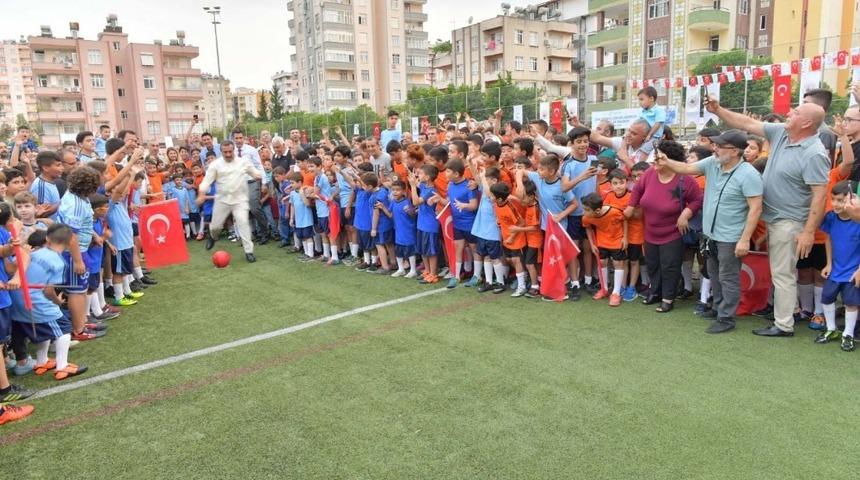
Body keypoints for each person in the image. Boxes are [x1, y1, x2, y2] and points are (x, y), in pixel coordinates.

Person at [706, 96, 829, 337]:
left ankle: (784, 325)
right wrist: (718, 109)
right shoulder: (782, 133)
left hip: (790, 222)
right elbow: (745, 123)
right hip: (773, 218)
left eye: (796, 112)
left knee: (783, 274)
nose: (790, 113)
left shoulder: (814, 153)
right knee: (781, 272)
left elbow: (820, 196)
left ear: (806, 123)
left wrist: (808, 231)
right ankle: (785, 317)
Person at [655, 130, 764, 333]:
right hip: (711, 234)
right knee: (713, 273)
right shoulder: (713, 163)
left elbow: (756, 209)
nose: (715, 148)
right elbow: (686, 168)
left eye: (720, 146)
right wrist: (667, 161)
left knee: (728, 276)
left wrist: (744, 239)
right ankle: (718, 308)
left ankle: (726, 318)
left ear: (733, 151)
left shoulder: (749, 175)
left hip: (731, 237)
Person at [627, 140, 702, 313]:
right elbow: (637, 189)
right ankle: (655, 292)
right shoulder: (650, 174)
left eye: (659, 158)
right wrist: (631, 206)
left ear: (671, 160)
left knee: (670, 266)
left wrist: (686, 214)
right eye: (655, 157)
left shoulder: (685, 179)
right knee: (653, 264)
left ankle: (668, 298)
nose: (655, 161)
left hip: (673, 232)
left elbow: (698, 199)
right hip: (650, 230)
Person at [11, 223, 88, 380]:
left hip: (17, 300)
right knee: (64, 329)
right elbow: (48, 290)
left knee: (45, 330)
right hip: (35, 301)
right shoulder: (59, 263)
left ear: (47, 238)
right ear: (68, 245)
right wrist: (57, 302)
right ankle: (62, 366)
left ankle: (42, 361)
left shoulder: (35, 253)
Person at [57, 166, 106, 341]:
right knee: (77, 291)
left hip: (80, 249)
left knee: (81, 289)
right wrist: (78, 260)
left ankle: (82, 322)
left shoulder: (77, 198)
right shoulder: (76, 204)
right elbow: (71, 234)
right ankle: (78, 330)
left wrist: (92, 235)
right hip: (74, 253)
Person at [197, 140, 263, 263]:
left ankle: (249, 252)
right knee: (215, 226)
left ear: (234, 150)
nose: (228, 154)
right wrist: (201, 194)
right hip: (222, 200)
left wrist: (257, 175)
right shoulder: (215, 165)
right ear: (221, 151)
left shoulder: (243, 162)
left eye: (230, 151)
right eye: (225, 152)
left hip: (240, 200)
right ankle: (212, 236)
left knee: (243, 222)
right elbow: (206, 182)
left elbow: (255, 172)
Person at [816, 180, 860, 351]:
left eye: (841, 200)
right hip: (836, 269)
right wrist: (828, 263)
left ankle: (847, 333)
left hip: (852, 271)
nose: (835, 204)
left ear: (851, 199)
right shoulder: (831, 217)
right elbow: (828, 239)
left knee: (851, 303)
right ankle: (831, 329)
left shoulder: (858, 221)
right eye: (833, 199)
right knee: (826, 298)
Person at [581, 192, 627, 307]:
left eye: (586, 210)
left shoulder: (614, 211)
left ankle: (616, 293)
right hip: (602, 242)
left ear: (597, 211)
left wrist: (625, 238)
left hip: (617, 241)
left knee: (618, 263)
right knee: (602, 262)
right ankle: (604, 289)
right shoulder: (586, 217)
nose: (584, 212)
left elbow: (625, 220)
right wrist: (592, 244)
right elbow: (588, 228)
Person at [232, 128, 269, 244]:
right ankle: (250, 234)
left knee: (254, 208)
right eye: (236, 138)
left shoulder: (251, 150)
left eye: (240, 138)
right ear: (233, 139)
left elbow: (259, 166)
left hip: (252, 182)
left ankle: (265, 232)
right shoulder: (230, 151)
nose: (238, 140)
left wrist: (263, 182)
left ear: (244, 138)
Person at [409, 164, 442, 284]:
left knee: (431, 251)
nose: (419, 175)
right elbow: (417, 183)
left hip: (430, 225)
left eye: (421, 174)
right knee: (423, 250)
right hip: (421, 224)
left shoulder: (431, 190)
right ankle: (427, 271)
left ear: (428, 177)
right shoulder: (423, 185)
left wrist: (412, 186)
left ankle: (433, 274)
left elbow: (416, 202)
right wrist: (413, 179)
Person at [378, 180, 418, 278]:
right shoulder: (393, 202)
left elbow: (413, 215)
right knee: (399, 250)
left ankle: (413, 270)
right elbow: (391, 215)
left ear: (404, 191)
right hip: (398, 231)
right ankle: (401, 269)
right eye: (393, 190)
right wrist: (383, 207)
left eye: (398, 190)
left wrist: (411, 212)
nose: (395, 192)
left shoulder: (407, 202)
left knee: (410, 251)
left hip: (408, 231)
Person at [30, 151, 63, 221]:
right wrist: (63, 202)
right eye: (58, 165)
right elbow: (41, 214)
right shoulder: (41, 186)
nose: (62, 168)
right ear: (45, 168)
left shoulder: (51, 182)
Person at [637, 86, 666, 155]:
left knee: (644, 150)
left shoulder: (659, 110)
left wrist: (649, 135)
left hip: (654, 137)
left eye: (641, 99)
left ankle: (640, 164)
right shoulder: (643, 112)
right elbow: (638, 123)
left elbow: (657, 123)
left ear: (651, 98)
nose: (639, 102)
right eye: (639, 100)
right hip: (643, 136)